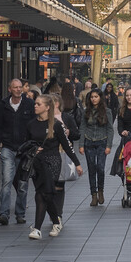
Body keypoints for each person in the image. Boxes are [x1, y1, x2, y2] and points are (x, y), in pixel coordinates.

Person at [21, 94, 81, 240]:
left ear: (47, 107)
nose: (35, 106)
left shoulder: (56, 125)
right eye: (35, 103)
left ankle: (37, 229)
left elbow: (67, 146)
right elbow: (25, 144)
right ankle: (56, 221)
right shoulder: (31, 124)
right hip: (36, 163)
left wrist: (77, 164)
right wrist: (33, 149)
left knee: (42, 194)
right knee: (45, 194)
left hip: (52, 161)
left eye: (38, 104)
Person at [0, 78, 37, 226]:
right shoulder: (3, 105)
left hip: (24, 149)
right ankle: (4, 213)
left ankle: (20, 213)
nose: (18, 90)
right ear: (9, 89)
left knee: (23, 184)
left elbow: (34, 125)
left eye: (20, 87)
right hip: (8, 148)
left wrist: (35, 146)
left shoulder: (29, 104)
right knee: (7, 181)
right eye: (15, 87)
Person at [76, 89, 112, 206]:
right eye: (92, 97)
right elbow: (82, 128)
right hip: (89, 142)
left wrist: (109, 145)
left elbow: (110, 129)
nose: (94, 99)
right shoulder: (86, 111)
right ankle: (94, 195)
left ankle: (101, 190)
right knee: (91, 169)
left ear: (100, 98)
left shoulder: (107, 111)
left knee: (100, 168)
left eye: (96, 96)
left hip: (102, 141)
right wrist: (81, 145)